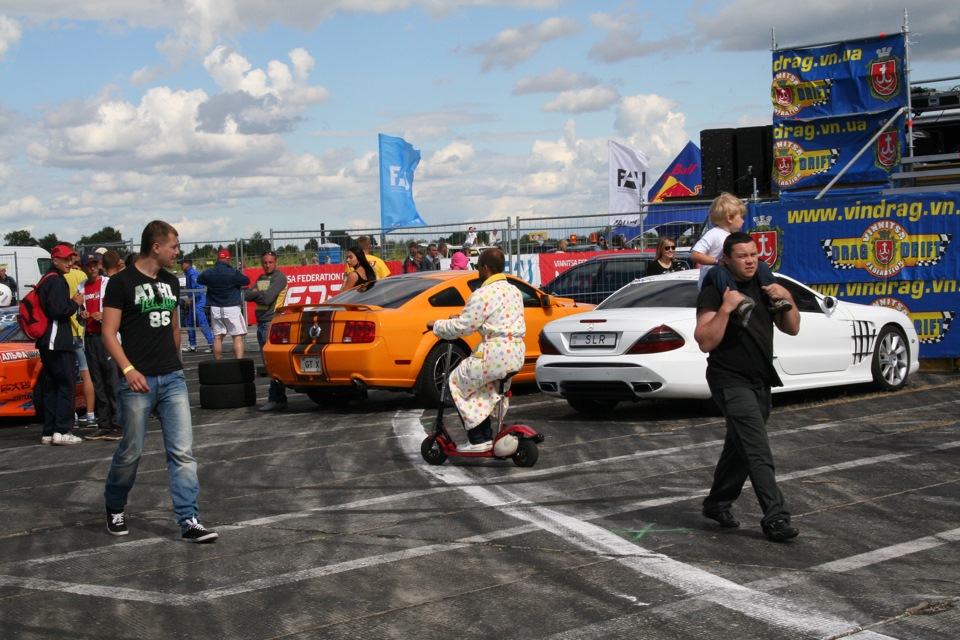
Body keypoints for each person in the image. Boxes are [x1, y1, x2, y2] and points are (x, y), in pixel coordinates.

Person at [102, 220, 217, 542]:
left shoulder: (171, 281)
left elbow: (175, 328)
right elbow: (108, 333)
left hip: (172, 378)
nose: (178, 253)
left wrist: (175, 364)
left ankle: (189, 519)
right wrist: (128, 370)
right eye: (174, 247)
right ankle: (114, 505)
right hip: (136, 381)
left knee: (183, 453)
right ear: (156, 247)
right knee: (131, 451)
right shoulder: (121, 283)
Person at [694, 231, 801, 543]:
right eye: (742, 256)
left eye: (754, 254)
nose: (750, 260)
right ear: (727, 259)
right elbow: (704, 341)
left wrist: (789, 299)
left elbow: (792, 328)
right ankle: (776, 518)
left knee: (740, 447)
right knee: (757, 450)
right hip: (728, 379)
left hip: (760, 379)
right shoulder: (716, 289)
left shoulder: (766, 286)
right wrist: (727, 308)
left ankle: (716, 504)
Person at [428, 248, 524, 452]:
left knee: (455, 381)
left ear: (486, 268)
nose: (477, 270)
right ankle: (487, 435)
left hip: (494, 353)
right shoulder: (514, 290)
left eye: (478, 266)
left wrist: (437, 326)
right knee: (480, 388)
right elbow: (495, 319)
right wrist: (462, 319)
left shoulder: (483, 293)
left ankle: (477, 438)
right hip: (515, 352)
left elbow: (463, 328)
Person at [690, 193, 789, 322]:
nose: (743, 221)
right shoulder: (713, 234)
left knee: (760, 264)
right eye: (741, 217)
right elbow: (695, 254)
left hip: (729, 275)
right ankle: (739, 303)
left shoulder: (733, 236)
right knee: (719, 271)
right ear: (730, 218)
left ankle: (774, 296)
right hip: (713, 277)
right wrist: (717, 262)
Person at [36, 244, 85, 445]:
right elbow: (59, 311)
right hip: (57, 340)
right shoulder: (56, 281)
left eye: (71, 259)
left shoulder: (46, 279)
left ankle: (49, 431)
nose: (69, 263)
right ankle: (62, 430)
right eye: (65, 259)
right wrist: (75, 302)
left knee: (53, 387)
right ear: (54, 260)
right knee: (67, 384)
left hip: (47, 340)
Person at [77, 252, 121, 441]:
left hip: (107, 337)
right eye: (89, 265)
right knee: (98, 382)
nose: (92, 268)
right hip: (90, 336)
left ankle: (118, 424)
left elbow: (119, 308)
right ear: (85, 267)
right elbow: (79, 315)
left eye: (95, 265)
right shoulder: (82, 286)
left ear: (100, 265)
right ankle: (104, 423)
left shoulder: (108, 283)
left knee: (112, 380)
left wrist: (104, 314)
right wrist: (82, 315)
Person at [244, 250, 289, 412]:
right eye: (265, 262)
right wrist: (256, 294)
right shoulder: (262, 278)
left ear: (276, 262)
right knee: (268, 364)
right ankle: (279, 399)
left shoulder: (279, 277)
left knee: (272, 364)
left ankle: (275, 398)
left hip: (272, 323)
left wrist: (257, 293)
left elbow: (267, 298)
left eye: (270, 262)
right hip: (261, 323)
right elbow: (246, 295)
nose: (268, 265)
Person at [63, 250, 97, 429]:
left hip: (66, 330)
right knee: (87, 375)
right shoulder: (82, 278)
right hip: (82, 330)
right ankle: (90, 414)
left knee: (68, 375)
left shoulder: (61, 277)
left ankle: (73, 415)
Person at [197, 249, 251, 360]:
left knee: (217, 337)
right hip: (231, 307)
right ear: (228, 259)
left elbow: (199, 280)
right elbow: (246, 281)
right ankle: (239, 362)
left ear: (218, 259)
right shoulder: (233, 272)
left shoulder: (208, 272)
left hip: (215, 307)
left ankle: (217, 362)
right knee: (237, 336)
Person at [179, 257, 214, 353]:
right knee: (189, 322)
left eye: (182, 263)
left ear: (188, 263)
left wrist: (191, 299)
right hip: (195, 301)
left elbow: (199, 289)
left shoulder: (192, 273)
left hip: (198, 301)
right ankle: (193, 345)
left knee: (202, 322)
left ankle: (212, 344)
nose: (181, 265)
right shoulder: (188, 273)